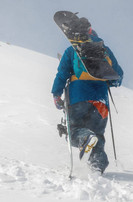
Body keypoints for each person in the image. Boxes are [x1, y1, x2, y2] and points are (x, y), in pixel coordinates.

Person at [51, 16, 123, 174]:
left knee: (74, 130)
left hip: (78, 96)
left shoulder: (71, 50)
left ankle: (84, 138)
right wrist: (106, 82)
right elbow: (118, 76)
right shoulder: (105, 50)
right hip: (101, 101)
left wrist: (56, 94)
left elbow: (62, 74)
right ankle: (97, 168)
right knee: (98, 134)